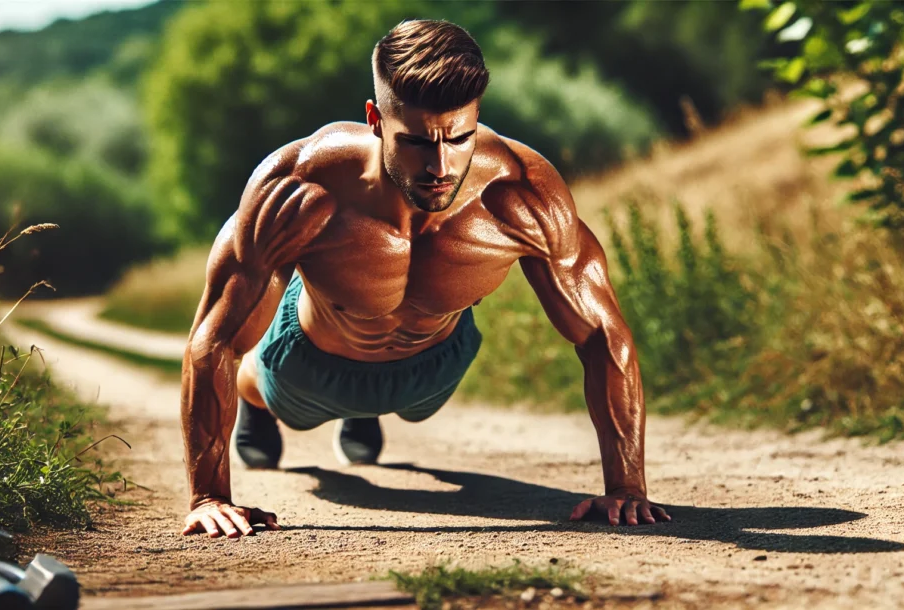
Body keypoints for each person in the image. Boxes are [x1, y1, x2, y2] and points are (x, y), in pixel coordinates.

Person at [180, 18, 671, 540]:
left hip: (436, 365)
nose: (439, 165)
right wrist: (208, 496)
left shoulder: (522, 194)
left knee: (415, 408)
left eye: (459, 138)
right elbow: (216, 340)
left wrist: (626, 488)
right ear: (375, 119)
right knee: (262, 383)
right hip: (309, 363)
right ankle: (261, 405)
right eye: (414, 142)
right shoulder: (300, 190)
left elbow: (601, 334)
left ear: (478, 117)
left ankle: (365, 415)